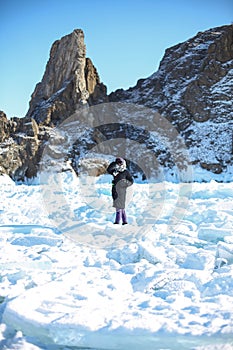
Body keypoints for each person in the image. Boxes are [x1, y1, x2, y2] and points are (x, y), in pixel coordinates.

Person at [107, 157, 134, 225]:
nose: (119, 164)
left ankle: (118, 221)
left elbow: (131, 181)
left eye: (120, 163)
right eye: (118, 163)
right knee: (118, 206)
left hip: (122, 191)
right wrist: (114, 163)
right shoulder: (115, 171)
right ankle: (124, 221)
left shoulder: (125, 172)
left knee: (120, 206)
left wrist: (124, 184)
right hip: (114, 190)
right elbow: (108, 169)